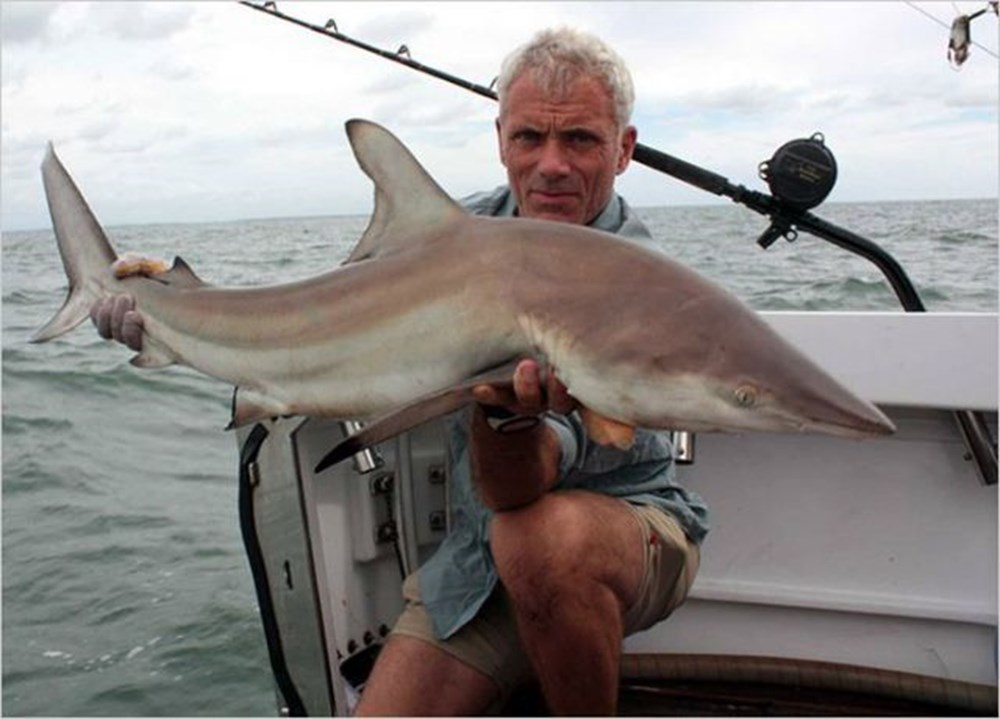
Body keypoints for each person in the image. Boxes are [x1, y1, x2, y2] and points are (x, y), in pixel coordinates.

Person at [91, 27, 709, 716]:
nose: (551, 165)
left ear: (624, 149)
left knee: (541, 538)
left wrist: (513, 413)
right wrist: (168, 305)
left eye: (581, 141)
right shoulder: (448, 234)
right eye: (530, 137)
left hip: (626, 542)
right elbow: (322, 310)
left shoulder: (651, 294)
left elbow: (521, 486)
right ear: (500, 137)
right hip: (474, 566)